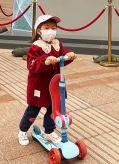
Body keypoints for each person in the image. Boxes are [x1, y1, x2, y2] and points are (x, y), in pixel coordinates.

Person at [18, 14, 76, 146]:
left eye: (53, 28)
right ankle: (23, 130)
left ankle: (49, 131)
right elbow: (31, 64)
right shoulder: (36, 47)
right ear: (39, 31)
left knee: (53, 109)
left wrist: (69, 55)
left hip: (54, 85)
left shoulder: (57, 44)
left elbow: (62, 57)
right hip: (39, 85)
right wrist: (45, 61)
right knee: (33, 110)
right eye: (47, 28)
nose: (51, 31)